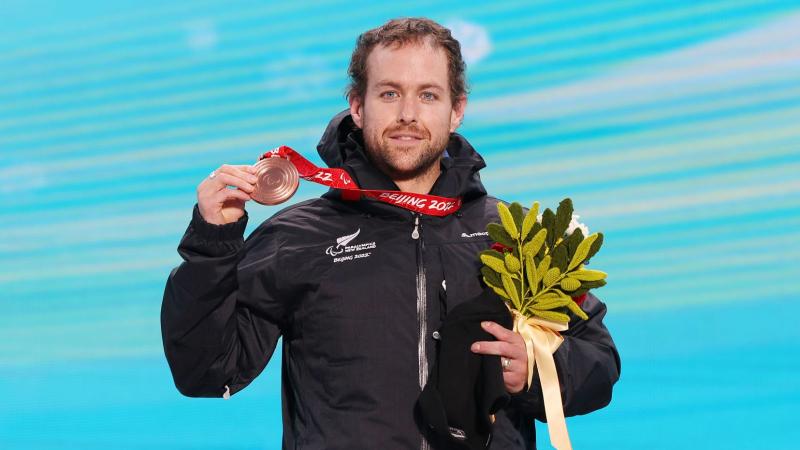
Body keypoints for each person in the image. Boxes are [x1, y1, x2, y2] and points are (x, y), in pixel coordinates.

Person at [161, 17, 620, 450]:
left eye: (428, 95)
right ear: (357, 107)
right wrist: (212, 245)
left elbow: (598, 363)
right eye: (388, 94)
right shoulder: (295, 237)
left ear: (456, 110)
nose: (407, 114)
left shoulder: (516, 233)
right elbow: (206, 372)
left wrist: (536, 370)